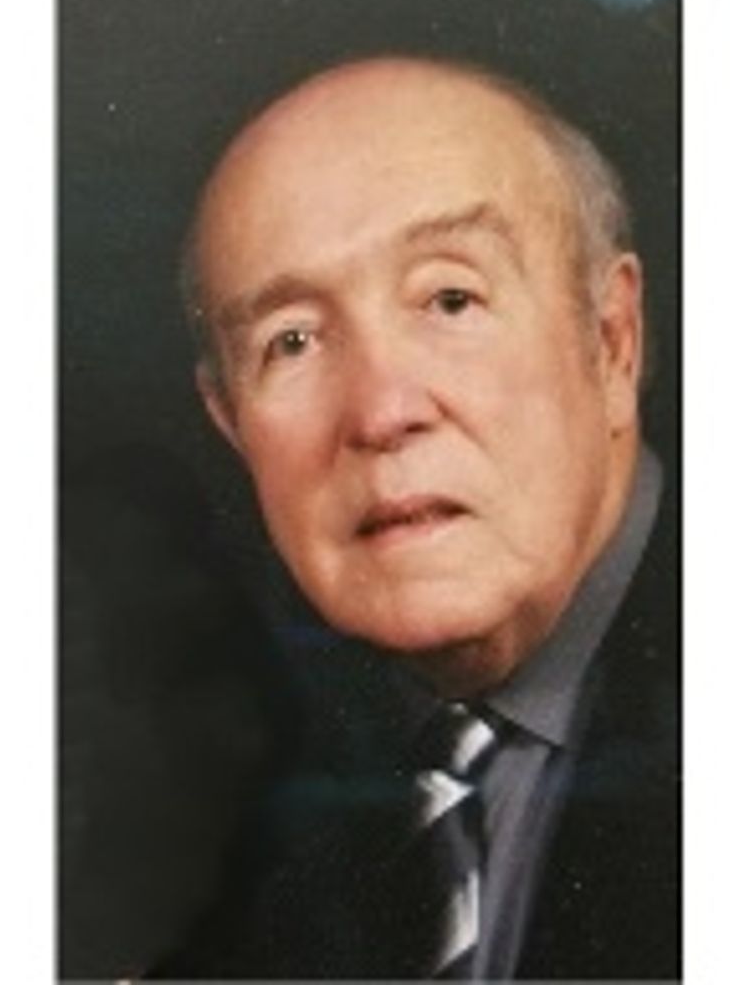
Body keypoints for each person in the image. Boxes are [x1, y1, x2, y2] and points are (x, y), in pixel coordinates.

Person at [155, 54, 679, 980]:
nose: (381, 412)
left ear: (611, 339)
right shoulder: (242, 829)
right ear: (232, 426)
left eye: (450, 299)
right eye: (292, 341)